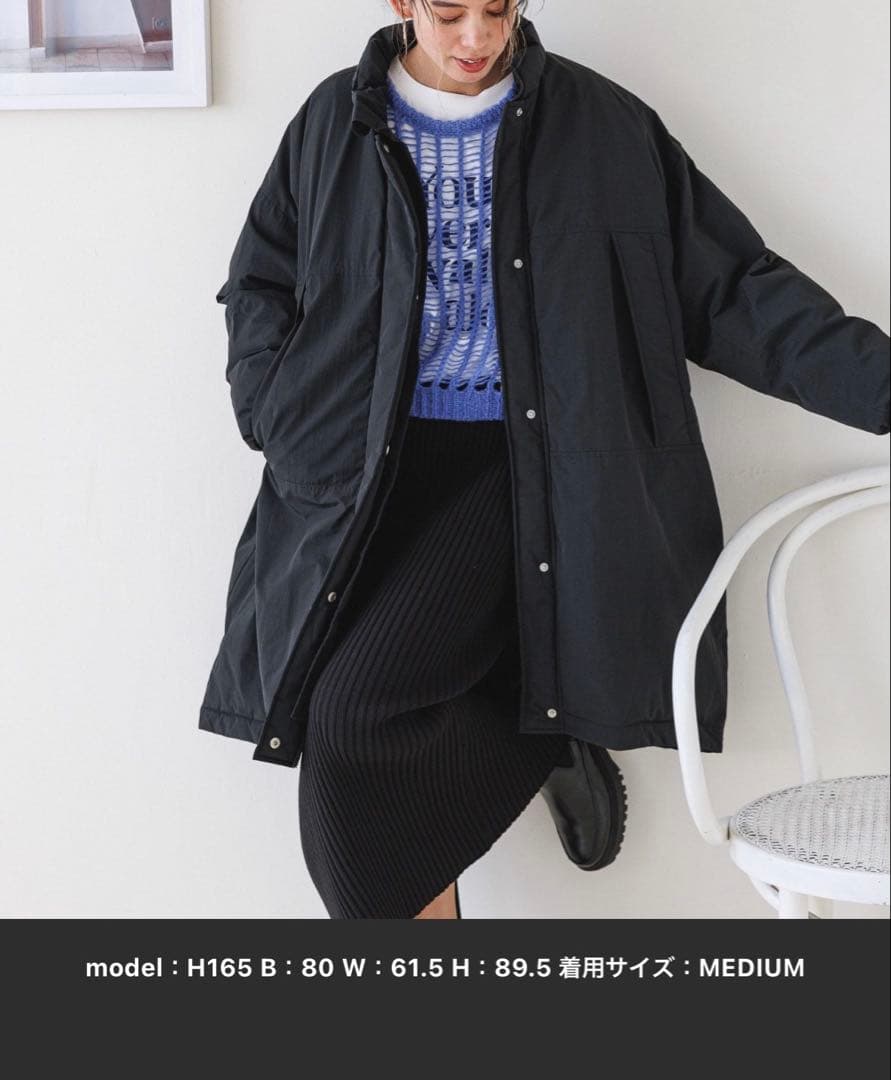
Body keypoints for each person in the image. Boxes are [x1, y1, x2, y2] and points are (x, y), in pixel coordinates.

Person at [204, 1, 889, 919]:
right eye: (449, 11)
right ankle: (542, 720)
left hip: (530, 464)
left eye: (498, 7)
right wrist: (270, 409)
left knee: (354, 716)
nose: (477, 36)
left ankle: (539, 725)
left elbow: (732, 291)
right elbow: (261, 279)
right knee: (347, 734)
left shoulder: (601, 124)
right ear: (402, 4)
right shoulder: (335, 119)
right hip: (361, 472)